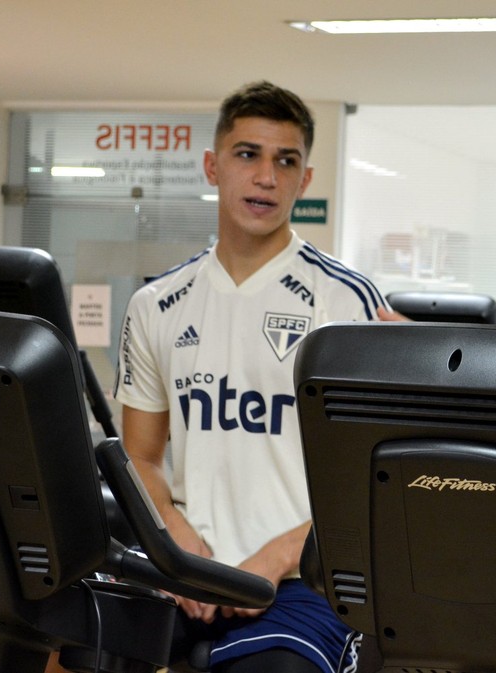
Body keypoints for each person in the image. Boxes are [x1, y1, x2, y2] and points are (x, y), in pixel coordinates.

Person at [112, 81, 386, 673]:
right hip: (183, 567)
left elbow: (373, 474)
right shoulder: (156, 303)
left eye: (285, 161)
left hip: (299, 580)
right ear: (213, 166)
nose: (266, 176)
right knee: (71, 644)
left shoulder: (344, 301)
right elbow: (141, 457)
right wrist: (178, 545)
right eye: (247, 154)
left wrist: (276, 558)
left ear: (305, 179)